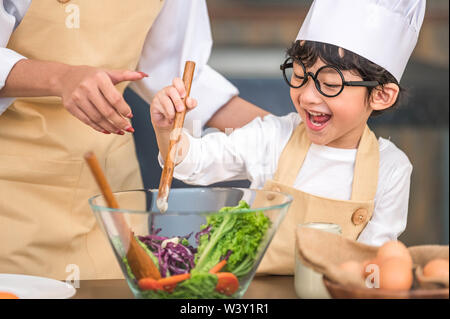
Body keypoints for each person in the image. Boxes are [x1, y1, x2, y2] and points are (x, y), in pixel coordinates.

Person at [151, 0, 426, 274]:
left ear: (381, 95)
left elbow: (374, 263)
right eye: (298, 75)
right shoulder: (273, 136)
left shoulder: (391, 169)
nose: (306, 96)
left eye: (330, 84)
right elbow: (195, 161)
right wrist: (167, 129)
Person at [0, 0, 268, 280]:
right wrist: (61, 78)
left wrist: (291, 135)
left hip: (113, 199)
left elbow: (179, 78)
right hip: (16, 195)